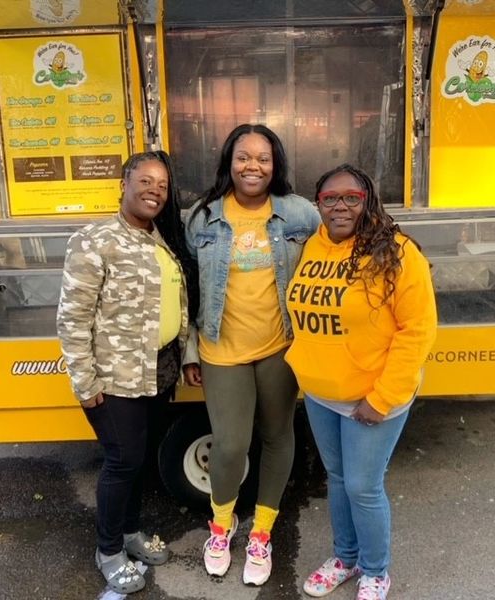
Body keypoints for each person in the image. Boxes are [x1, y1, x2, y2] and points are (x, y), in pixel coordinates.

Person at [285, 164, 437, 600]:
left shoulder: (397, 253)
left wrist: (383, 397)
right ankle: (346, 557)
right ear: (318, 204)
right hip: (320, 392)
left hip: (372, 395)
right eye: (330, 198)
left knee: (362, 487)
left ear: (367, 200)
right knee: (336, 477)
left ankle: (375, 569)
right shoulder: (313, 247)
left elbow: (418, 330)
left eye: (351, 197)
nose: (340, 206)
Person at [184, 123, 321, 586]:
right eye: (244, 157)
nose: (253, 166)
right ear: (229, 162)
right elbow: (187, 286)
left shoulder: (301, 214)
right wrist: (188, 347)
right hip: (221, 347)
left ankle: (261, 532)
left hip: (280, 346)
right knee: (229, 446)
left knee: (279, 437)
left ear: (276, 163)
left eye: (263, 158)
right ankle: (222, 526)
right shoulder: (202, 217)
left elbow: (336, 255)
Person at [56, 150, 198, 595]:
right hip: (113, 378)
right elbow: (73, 317)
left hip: (158, 372)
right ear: (124, 183)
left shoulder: (161, 239)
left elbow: (178, 305)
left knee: (139, 461)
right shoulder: (95, 239)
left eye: (162, 185)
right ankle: (109, 549)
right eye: (146, 181)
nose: (155, 190)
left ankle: (131, 532)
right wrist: (84, 380)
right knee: (123, 462)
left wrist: (187, 354)